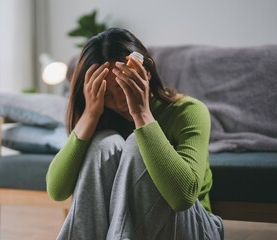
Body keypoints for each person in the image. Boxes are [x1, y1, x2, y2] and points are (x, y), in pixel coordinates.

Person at [46, 28, 224, 240]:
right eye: (107, 94)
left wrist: (141, 114)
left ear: (145, 72)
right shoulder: (103, 119)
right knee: (104, 143)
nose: (120, 102)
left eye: (123, 87)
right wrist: (90, 113)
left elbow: (182, 198)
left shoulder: (188, 111)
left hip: (194, 229)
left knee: (137, 143)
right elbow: (57, 191)